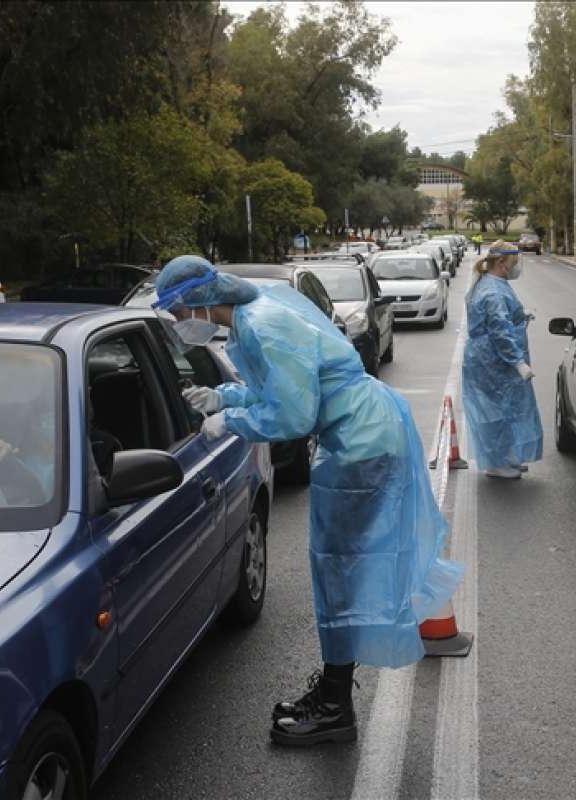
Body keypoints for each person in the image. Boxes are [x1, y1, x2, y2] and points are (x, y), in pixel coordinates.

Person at [155, 255, 462, 747]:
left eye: (177, 313)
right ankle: (334, 690)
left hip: (361, 443)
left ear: (198, 302)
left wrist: (228, 422)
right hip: (361, 434)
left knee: (340, 573)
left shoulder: (260, 324)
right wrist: (223, 398)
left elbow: (293, 416)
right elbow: (279, 388)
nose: (179, 325)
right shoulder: (255, 314)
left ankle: (337, 707)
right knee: (338, 571)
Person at [461, 241, 543, 479]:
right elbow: (500, 332)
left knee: (505, 409)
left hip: (492, 361)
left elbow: (502, 318)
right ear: (501, 263)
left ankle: (506, 456)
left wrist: (520, 314)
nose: (516, 267)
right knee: (495, 412)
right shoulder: (493, 291)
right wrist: (518, 363)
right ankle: (496, 463)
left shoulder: (494, 284)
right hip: (492, 362)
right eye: (513, 263)